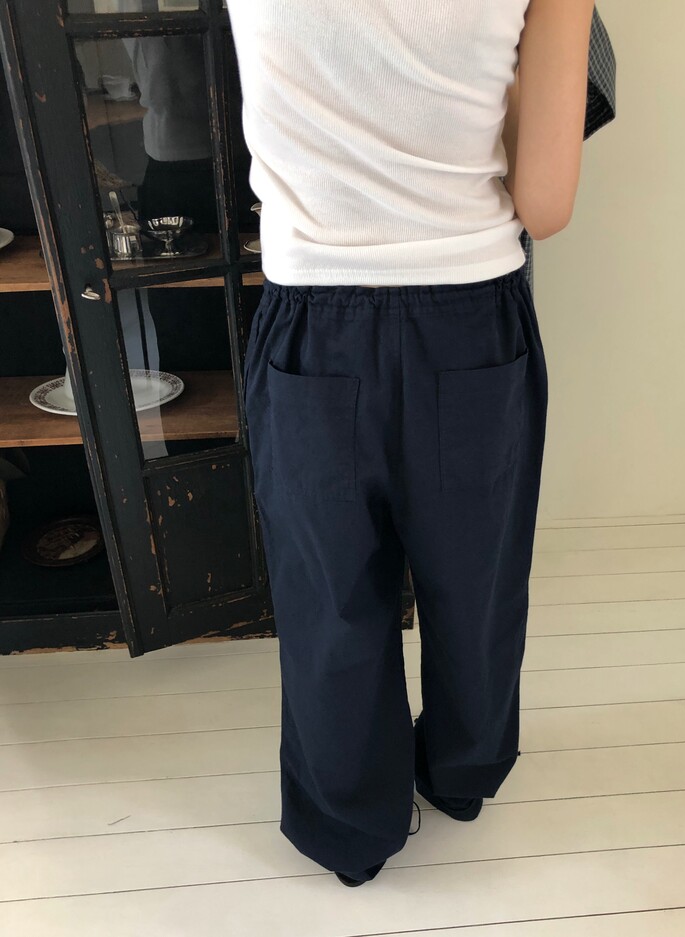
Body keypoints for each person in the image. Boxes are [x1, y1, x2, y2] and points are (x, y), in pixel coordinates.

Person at [227, 0, 615, 887]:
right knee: (476, 584)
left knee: (330, 600)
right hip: (471, 320)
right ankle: (461, 773)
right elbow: (545, 204)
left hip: (312, 321)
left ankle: (352, 826)